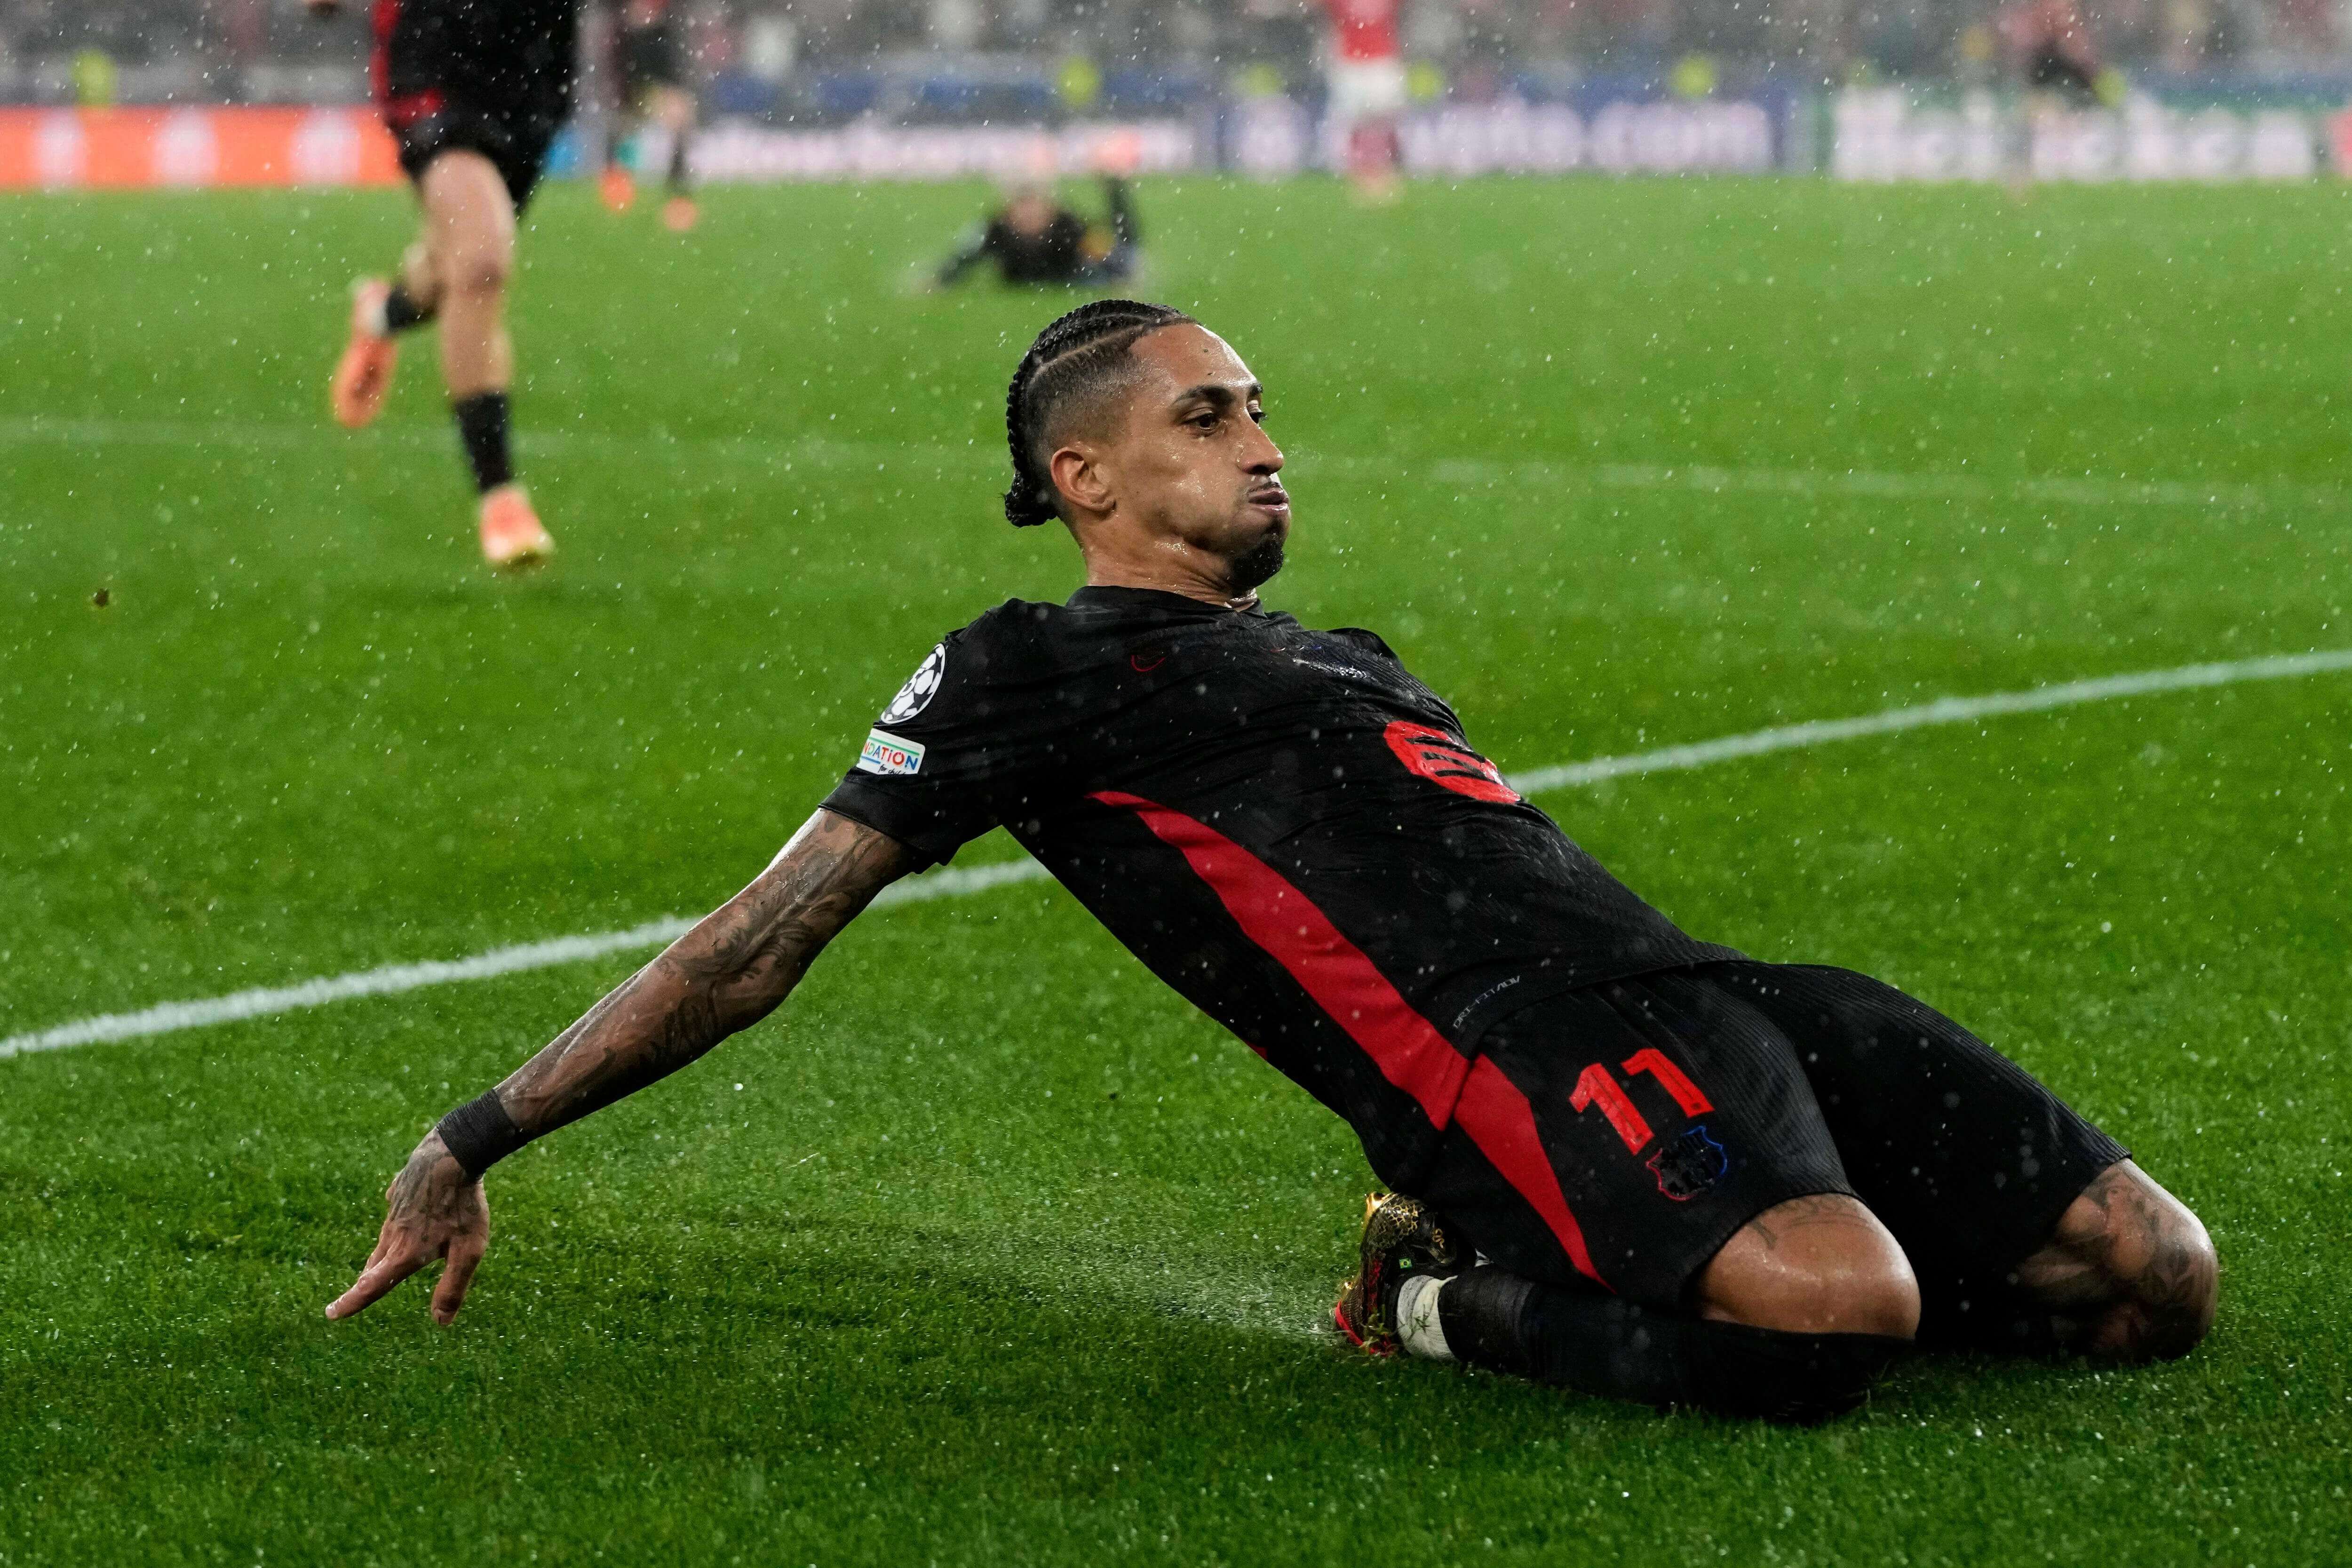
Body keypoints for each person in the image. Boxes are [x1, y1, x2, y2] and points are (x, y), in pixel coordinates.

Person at [325, 301, 2217, 1423]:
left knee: (2151, 1283)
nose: (1261, 441)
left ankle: (1689, 1265)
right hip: (1510, 1057)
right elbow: (759, 937)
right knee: (1831, 1324)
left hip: (1701, 994)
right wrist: (474, 1132)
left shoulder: (1340, 650)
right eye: (1206, 415)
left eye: (1259, 409)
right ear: (1084, 479)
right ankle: (1429, 1290)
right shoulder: (1019, 672)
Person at [316, 0, 572, 571]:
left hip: (532, 68)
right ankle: (500, 499)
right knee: (482, 263)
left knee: (453, 269)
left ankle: (380, 316)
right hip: (433, 63)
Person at [932, 174, 1140, 289]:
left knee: (1126, 252)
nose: (1027, 212)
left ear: (1049, 206)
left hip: (1072, 278)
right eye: (1021, 204)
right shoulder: (996, 229)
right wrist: (937, 283)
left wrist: (1122, 280)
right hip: (1032, 281)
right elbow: (963, 260)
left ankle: (1116, 191)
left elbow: (1106, 257)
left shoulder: (1068, 226)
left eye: (1033, 203)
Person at [600, 0, 700, 232]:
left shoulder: (665, 24)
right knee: (621, 130)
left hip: (654, 87)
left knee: (681, 122)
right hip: (635, 89)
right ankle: (616, 183)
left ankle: (677, 191)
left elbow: (670, 62)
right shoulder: (629, 26)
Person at [1319, 0, 1407, 200]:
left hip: (1382, 60)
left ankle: (1387, 175)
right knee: (1356, 124)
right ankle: (1360, 178)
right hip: (1351, 62)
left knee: (1385, 122)